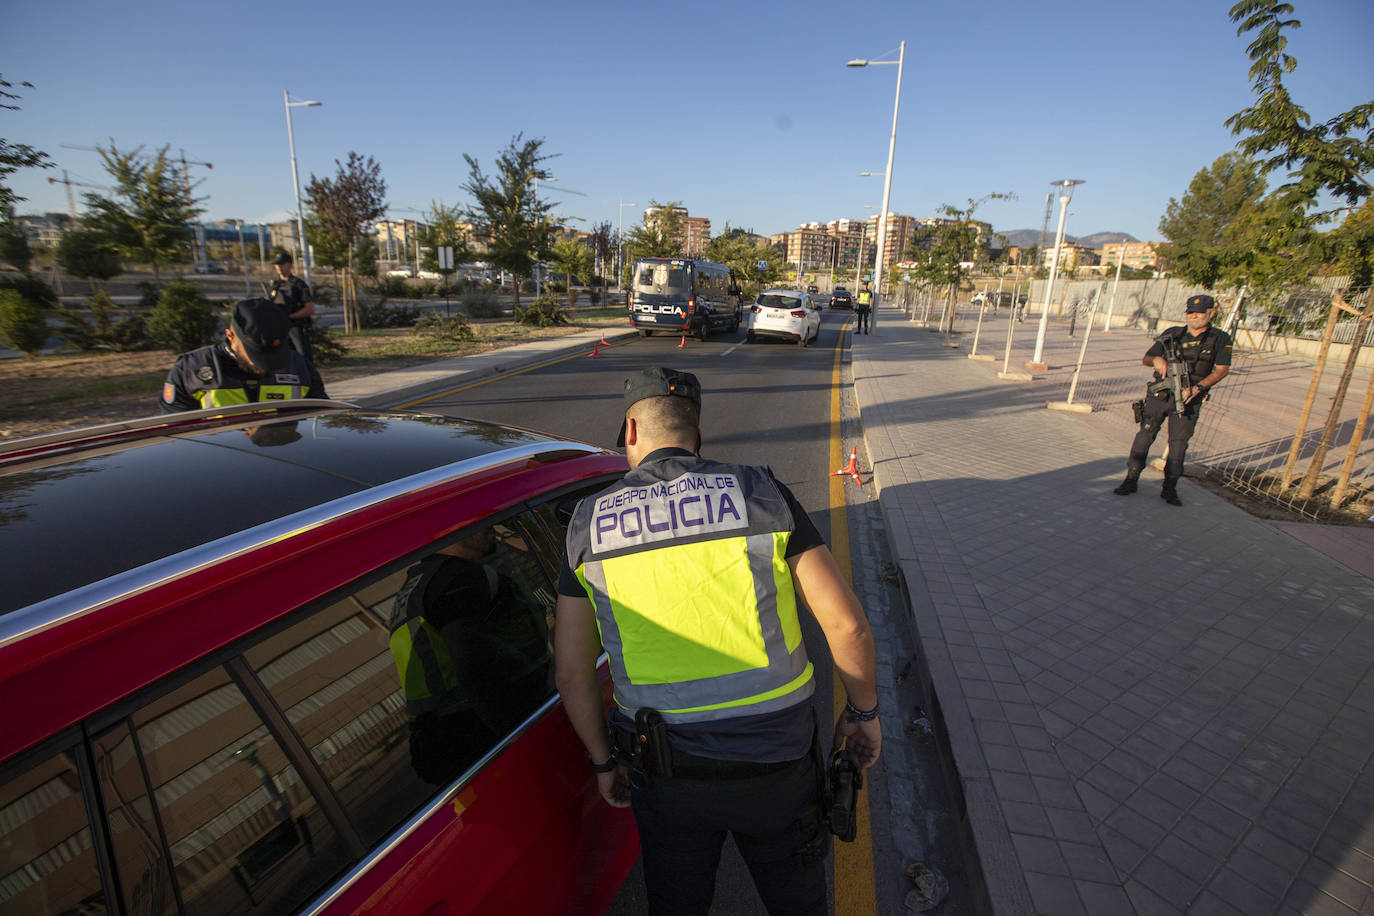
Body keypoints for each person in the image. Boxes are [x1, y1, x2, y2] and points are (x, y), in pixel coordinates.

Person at [554, 367, 881, 916]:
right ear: (696, 433)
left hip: (665, 773)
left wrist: (602, 762)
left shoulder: (587, 524)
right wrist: (863, 712)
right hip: (778, 764)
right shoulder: (762, 493)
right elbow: (846, 625)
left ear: (631, 432)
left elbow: (571, 671)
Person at [389, 528, 553, 785]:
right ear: (452, 530)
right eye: (478, 522)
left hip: (446, 748)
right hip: (489, 737)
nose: (490, 530)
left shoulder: (413, 590)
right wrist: (521, 739)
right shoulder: (457, 579)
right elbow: (474, 668)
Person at [1113, 294, 1233, 506]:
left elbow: (1222, 370)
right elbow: (1147, 358)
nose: (1193, 316)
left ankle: (1170, 488)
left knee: (1178, 444)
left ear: (1211, 313)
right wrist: (1157, 360)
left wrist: (1198, 388)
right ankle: (1131, 479)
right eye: (1190, 313)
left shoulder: (1220, 338)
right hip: (1160, 396)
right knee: (1145, 433)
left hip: (1189, 398)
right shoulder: (1172, 334)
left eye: (1198, 313)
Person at [159, 298, 326, 412]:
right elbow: (176, 434)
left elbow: (322, 417)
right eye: (255, 355)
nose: (265, 364)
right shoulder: (191, 369)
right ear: (230, 336)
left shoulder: (299, 366)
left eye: (275, 353)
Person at [268, 252, 317, 362]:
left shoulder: (298, 285)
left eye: (282, 264)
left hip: (296, 327)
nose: (279, 267)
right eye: (277, 265)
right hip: (281, 328)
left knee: (303, 358)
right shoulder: (274, 285)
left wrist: (290, 316)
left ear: (290, 265)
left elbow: (310, 309)